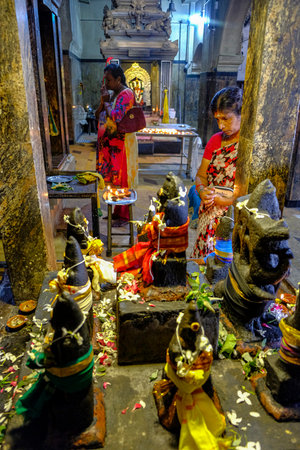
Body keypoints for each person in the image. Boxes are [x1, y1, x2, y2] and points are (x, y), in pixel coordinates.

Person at [191, 86, 243, 260]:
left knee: (227, 267)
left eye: (226, 119)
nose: (221, 125)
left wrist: (227, 200)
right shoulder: (215, 141)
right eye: (217, 119)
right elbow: (201, 176)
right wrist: (202, 190)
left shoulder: (248, 146)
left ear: (241, 113)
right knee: (204, 269)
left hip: (235, 222)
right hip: (209, 217)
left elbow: (252, 192)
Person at [95, 63, 138, 226]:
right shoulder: (114, 94)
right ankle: (116, 211)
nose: (106, 84)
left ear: (118, 79)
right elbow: (98, 114)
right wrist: (103, 101)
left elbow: (116, 117)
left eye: (109, 80)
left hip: (122, 146)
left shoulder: (126, 94)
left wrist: (106, 102)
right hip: (113, 146)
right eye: (105, 80)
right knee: (115, 180)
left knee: (123, 180)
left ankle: (124, 216)